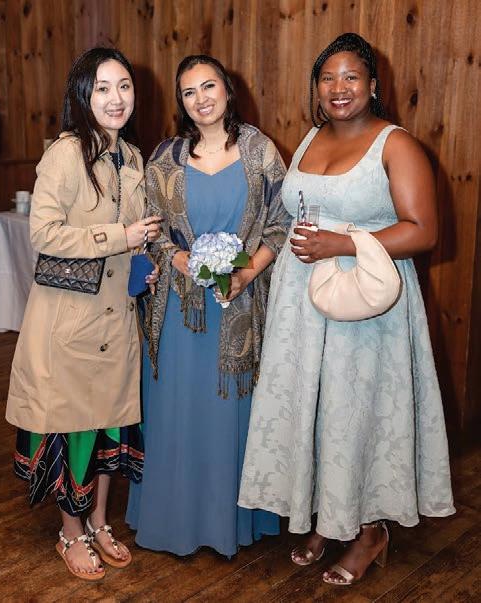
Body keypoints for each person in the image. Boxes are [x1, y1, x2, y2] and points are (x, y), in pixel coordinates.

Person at [238, 33, 455, 585]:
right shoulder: (311, 138)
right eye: (328, 78)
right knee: (316, 409)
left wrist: (343, 243)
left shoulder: (396, 145)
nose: (339, 88)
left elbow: (423, 230)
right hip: (301, 303)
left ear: (373, 85)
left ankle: (370, 531)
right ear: (316, 87)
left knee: (356, 414)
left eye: (351, 77)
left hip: (364, 305)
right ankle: (327, 518)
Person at [5, 47, 161, 581]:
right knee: (74, 426)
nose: (116, 98)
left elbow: (136, 238)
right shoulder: (66, 153)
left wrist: (142, 266)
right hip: (70, 321)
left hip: (117, 319)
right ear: (83, 95)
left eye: (124, 86)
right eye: (102, 88)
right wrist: (121, 237)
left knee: (110, 425)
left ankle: (99, 522)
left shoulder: (133, 157)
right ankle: (70, 532)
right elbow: (44, 234)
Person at [125, 55, 291, 556]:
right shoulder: (166, 157)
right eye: (189, 92)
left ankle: (230, 523)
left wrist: (247, 273)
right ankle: (171, 520)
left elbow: (281, 223)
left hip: (239, 308)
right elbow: (151, 228)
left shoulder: (260, 150)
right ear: (181, 102)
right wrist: (178, 258)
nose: (201, 99)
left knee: (228, 417)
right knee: (178, 414)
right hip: (181, 312)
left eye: (209, 86)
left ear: (227, 90)